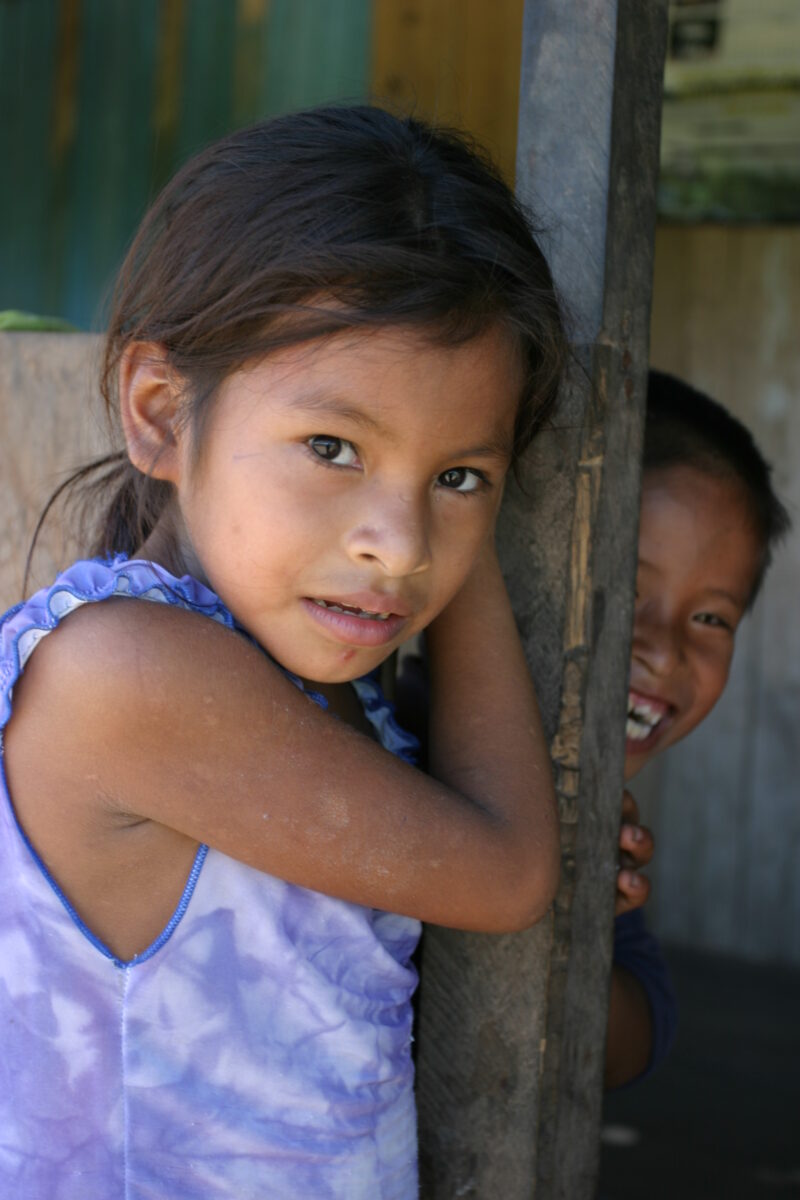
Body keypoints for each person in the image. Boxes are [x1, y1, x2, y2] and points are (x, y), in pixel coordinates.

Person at [0, 107, 568, 1199]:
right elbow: (503, 872)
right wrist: (474, 535)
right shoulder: (128, 676)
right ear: (160, 413)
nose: (395, 547)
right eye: (331, 448)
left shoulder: (298, 686)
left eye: (458, 478)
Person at [604, 369, 791, 1088]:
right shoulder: (388, 736)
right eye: (628, 586)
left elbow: (633, 1038)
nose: (666, 647)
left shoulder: (602, 836)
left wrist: (576, 923)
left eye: (711, 617)